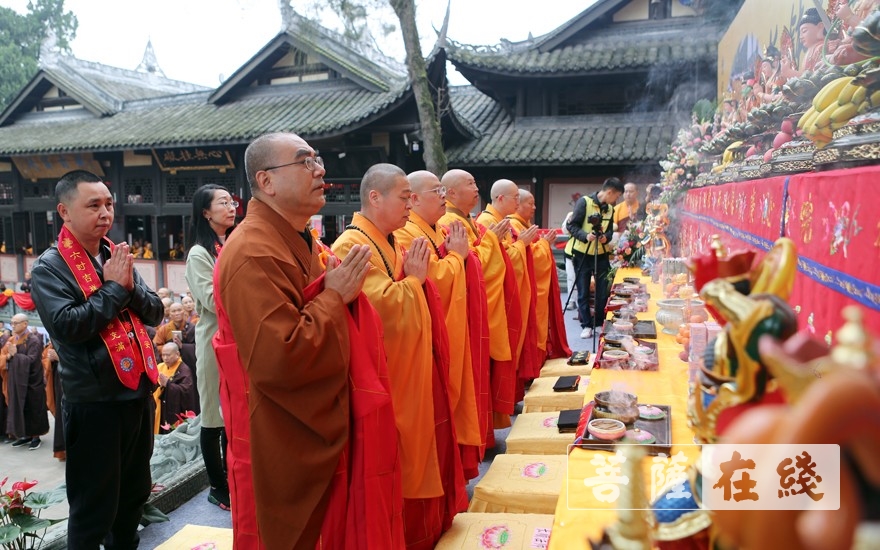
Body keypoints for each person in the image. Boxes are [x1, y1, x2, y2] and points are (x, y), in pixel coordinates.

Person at [214, 132, 403, 549]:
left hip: (310, 416)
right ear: (266, 182)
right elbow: (279, 356)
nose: (321, 170)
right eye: (305, 162)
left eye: (318, 160)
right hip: (280, 428)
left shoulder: (299, 240)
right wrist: (334, 296)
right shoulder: (252, 251)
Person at [333, 163, 466, 548]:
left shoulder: (388, 240)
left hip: (406, 365)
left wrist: (416, 279)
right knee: (396, 458)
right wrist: (415, 281)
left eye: (411, 197)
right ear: (375, 197)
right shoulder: (351, 245)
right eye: (404, 197)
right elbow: (385, 307)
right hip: (384, 376)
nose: (410, 205)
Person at [30, 169, 164, 549]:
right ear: (65, 212)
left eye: (108, 204)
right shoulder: (48, 267)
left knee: (134, 495)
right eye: (93, 205)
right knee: (94, 506)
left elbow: (154, 312)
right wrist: (114, 288)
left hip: (136, 391)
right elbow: (69, 326)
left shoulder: (113, 253)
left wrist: (122, 286)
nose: (105, 212)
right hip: (94, 400)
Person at [393, 170, 484, 480]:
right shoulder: (407, 234)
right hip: (427, 336)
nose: (444, 196)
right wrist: (458, 258)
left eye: (445, 190)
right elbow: (434, 280)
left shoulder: (434, 229)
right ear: (414, 198)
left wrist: (464, 254)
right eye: (437, 191)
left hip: (448, 329)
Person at [439, 169, 519, 424]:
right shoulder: (449, 222)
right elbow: (474, 263)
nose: (476, 188)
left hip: (478, 303)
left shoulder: (466, 219)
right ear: (451, 192)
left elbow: (473, 257)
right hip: (466, 308)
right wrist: (494, 240)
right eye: (470, 183)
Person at [184, 183, 236, 512]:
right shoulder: (198, 254)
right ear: (206, 212)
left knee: (234, 415)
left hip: (237, 339)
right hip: (213, 341)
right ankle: (218, 487)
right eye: (223, 203)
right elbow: (212, 299)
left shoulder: (231, 244)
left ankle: (234, 479)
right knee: (214, 419)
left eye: (232, 201)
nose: (231, 207)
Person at [511, 189, 571, 361]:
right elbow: (529, 257)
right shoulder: (513, 225)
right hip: (528, 286)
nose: (534, 207)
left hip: (535, 285)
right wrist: (544, 243)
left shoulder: (524, 224)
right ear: (517, 204)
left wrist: (544, 243)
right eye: (530, 203)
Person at [565, 176, 624, 339]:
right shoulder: (584, 202)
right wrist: (585, 235)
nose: (616, 200)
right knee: (583, 291)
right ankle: (586, 325)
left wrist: (606, 236)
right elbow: (571, 225)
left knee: (602, 291)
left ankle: (599, 323)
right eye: (617, 196)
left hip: (601, 253)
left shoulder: (611, 209)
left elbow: (610, 231)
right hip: (582, 252)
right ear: (610, 192)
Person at [1, 314, 47, 450]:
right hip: (16, 380)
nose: (13, 325)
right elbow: (3, 356)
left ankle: (36, 437)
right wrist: (9, 355)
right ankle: (25, 435)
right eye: (12, 323)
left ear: (25, 324)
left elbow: (33, 360)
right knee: (21, 408)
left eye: (16, 323)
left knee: (33, 408)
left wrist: (16, 355)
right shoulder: (12, 339)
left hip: (32, 381)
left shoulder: (33, 340)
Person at [152, 342, 197, 434]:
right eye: (163, 355)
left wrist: (168, 385)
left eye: (168, 355)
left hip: (172, 412)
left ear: (177, 354)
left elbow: (186, 391)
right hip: (158, 409)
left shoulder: (183, 369)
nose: (165, 358)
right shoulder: (160, 367)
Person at [42, 340, 66, 461]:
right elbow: (44, 359)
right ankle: (63, 451)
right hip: (59, 381)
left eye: (16, 323)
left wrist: (61, 358)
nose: (13, 326)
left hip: (76, 385)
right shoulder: (54, 341)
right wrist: (50, 360)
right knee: (62, 417)